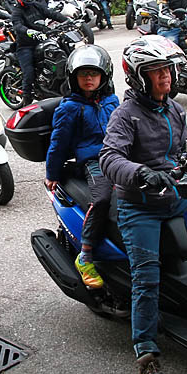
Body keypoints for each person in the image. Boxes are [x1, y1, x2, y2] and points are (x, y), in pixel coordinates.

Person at [98, 34, 187, 374]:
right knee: (147, 276)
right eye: (157, 72)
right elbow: (109, 158)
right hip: (139, 204)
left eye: (168, 70)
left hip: (175, 195)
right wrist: (141, 173)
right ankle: (146, 355)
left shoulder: (175, 109)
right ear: (139, 77)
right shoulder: (125, 115)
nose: (166, 78)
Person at [44, 45, 119, 289]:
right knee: (102, 199)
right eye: (83, 74)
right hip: (94, 162)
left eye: (93, 74)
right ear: (73, 78)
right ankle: (86, 255)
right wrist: (52, 173)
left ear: (104, 77)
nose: (88, 78)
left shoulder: (112, 100)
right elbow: (58, 142)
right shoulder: (70, 107)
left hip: (120, 157)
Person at [10, 0, 69, 105]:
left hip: (43, 39)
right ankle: (26, 98)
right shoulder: (17, 11)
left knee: (63, 52)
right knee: (29, 72)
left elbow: (50, 13)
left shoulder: (36, 5)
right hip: (26, 46)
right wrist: (30, 32)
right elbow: (18, 26)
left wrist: (68, 20)